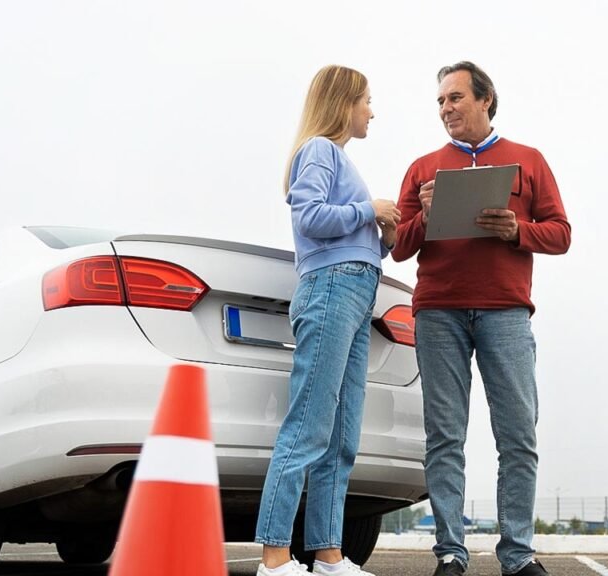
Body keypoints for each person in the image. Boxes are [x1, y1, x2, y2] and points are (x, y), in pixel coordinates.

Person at [391, 61, 570, 576]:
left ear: (485, 100)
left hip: (506, 312)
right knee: (444, 435)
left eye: (455, 98)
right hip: (438, 313)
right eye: (441, 101)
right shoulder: (423, 168)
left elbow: (561, 232)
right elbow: (398, 247)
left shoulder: (528, 161)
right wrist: (425, 215)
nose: (446, 108)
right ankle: (450, 551)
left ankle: (518, 554)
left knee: (518, 433)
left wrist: (518, 229)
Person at [255, 64, 400, 576]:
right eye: (366, 100)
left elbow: (347, 228)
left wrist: (386, 230)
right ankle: (274, 557)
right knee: (310, 425)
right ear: (343, 102)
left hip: (357, 292)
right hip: (332, 288)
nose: (372, 111)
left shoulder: (338, 159)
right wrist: (369, 209)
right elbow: (309, 216)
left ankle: (328, 553)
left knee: (341, 435)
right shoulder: (319, 149)